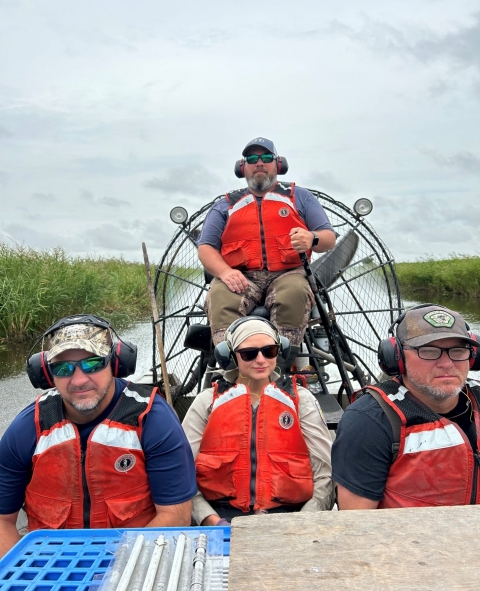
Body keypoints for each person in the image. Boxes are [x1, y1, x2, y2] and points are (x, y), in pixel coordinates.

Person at [0, 315, 197, 558]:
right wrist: (18, 574)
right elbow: (3, 520)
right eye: (63, 368)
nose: (79, 380)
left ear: (115, 362)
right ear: (46, 374)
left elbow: (175, 515)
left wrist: (112, 575)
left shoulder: (153, 419)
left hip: (133, 565)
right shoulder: (28, 427)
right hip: (49, 570)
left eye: (93, 364)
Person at [197, 137, 336, 368]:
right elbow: (206, 247)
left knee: (294, 293)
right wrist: (225, 272)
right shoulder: (225, 204)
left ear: (278, 164)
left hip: (288, 274)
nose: (259, 163)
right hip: (242, 276)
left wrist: (312, 238)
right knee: (220, 295)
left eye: (266, 158)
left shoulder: (299, 196)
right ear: (243, 168)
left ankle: (279, 366)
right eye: (252, 159)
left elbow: (328, 238)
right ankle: (233, 368)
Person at [182, 317, 334, 525]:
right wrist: (210, 520)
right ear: (231, 356)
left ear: (279, 351)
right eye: (249, 354)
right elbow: (182, 473)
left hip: (292, 520)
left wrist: (304, 520)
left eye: (269, 351)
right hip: (221, 519)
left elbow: (325, 474)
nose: (261, 360)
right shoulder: (207, 402)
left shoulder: (302, 401)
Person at [332, 304, 480, 510]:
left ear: (473, 356)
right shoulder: (369, 420)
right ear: (397, 357)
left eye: (458, 350)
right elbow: (356, 523)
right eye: (429, 351)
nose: (447, 363)